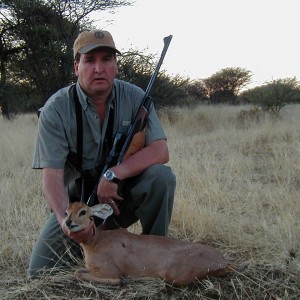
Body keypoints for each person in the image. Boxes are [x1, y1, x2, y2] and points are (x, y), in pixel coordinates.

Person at [28, 30, 176, 277]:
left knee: (162, 177)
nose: (99, 68)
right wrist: (68, 224)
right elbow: (52, 176)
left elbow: (160, 150)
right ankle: (92, 244)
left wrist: (114, 174)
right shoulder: (56, 109)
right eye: (90, 60)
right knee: (39, 273)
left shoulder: (136, 97)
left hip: (120, 198)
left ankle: (156, 254)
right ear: (77, 66)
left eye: (107, 59)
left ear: (116, 66)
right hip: (80, 208)